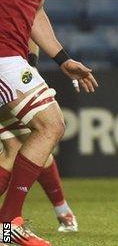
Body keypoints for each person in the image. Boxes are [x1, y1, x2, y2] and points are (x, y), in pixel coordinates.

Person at [0, 0, 98, 245]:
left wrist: (62, 59)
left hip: (12, 55)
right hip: (2, 56)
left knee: (14, 147)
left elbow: (36, 13)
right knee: (51, 125)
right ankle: (8, 226)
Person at [0, 41, 77, 233]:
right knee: (44, 132)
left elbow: (31, 25)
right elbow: (33, 24)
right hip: (7, 67)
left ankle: (62, 212)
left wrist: (31, 64)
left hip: (11, 67)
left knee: (32, 142)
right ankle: (8, 226)